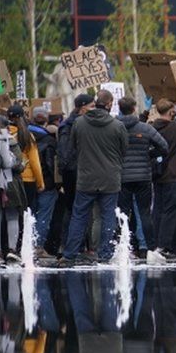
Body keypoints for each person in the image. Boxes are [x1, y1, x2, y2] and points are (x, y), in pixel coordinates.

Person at [58, 89, 128, 266]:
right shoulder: (117, 125)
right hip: (110, 178)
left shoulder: (79, 124)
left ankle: (70, 254)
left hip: (86, 178)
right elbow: (123, 150)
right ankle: (105, 253)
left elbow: (73, 147)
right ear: (110, 103)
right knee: (108, 216)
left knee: (79, 215)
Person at [116, 96, 168, 262]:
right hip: (143, 177)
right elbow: (164, 147)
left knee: (122, 214)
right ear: (134, 109)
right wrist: (149, 155)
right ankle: (151, 249)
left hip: (122, 176)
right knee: (145, 213)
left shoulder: (114, 127)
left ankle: (123, 248)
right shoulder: (145, 128)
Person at [54, 94, 95, 257]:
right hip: (74, 172)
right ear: (83, 107)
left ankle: (79, 245)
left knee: (80, 210)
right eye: (92, 106)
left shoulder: (81, 123)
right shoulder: (69, 125)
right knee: (74, 210)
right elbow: (65, 152)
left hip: (80, 171)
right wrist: (69, 172)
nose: (94, 109)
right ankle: (69, 245)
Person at [151, 98, 176, 260]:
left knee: (157, 209)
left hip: (157, 173)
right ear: (171, 112)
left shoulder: (151, 128)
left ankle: (155, 242)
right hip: (173, 174)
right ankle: (164, 245)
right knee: (171, 211)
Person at [27, 108, 58, 257]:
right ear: (46, 120)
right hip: (48, 184)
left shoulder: (24, 136)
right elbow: (51, 164)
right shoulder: (49, 140)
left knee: (29, 215)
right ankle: (38, 247)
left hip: (28, 182)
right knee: (44, 216)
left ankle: (25, 244)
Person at [0, 117, 25, 263]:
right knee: (12, 217)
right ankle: (12, 250)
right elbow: (16, 164)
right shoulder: (9, 140)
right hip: (9, 183)